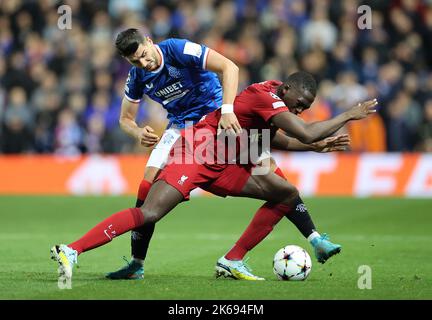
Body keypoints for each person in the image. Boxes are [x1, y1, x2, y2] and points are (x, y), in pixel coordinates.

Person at [51, 71, 377, 281]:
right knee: (150, 212)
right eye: (300, 104)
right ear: (288, 88)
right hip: (196, 152)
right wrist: (349, 115)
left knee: (285, 193)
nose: (300, 111)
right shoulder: (267, 98)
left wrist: (315, 147)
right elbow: (303, 133)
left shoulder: (275, 101)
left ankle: (232, 260)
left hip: (224, 163)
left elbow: (282, 138)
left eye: (305, 108)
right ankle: (73, 250)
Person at [107, 28, 242, 279]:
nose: (144, 63)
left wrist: (227, 110)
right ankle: (137, 263)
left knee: (258, 172)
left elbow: (229, 67)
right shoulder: (137, 76)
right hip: (179, 125)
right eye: (135, 61)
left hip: (210, 118)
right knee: (145, 189)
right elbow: (125, 119)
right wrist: (137, 133)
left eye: (144, 55)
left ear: (149, 41)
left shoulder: (178, 49)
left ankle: (306, 230)